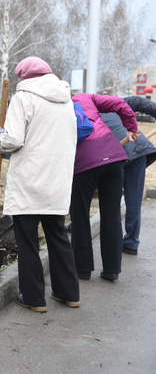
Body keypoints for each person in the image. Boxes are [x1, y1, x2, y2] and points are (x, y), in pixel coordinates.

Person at [0, 57, 80, 313]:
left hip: (29, 181)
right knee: (58, 237)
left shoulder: (23, 98)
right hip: (57, 180)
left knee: (28, 241)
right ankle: (69, 293)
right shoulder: (66, 100)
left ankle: (33, 298)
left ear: (23, 77)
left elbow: (14, 140)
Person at [69, 92, 139, 281]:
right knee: (111, 214)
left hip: (84, 163)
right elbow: (120, 103)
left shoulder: (53, 107)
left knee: (80, 215)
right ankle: (112, 269)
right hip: (113, 158)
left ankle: (82, 269)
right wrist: (131, 128)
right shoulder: (85, 97)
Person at [101, 96, 156, 255]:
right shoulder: (116, 104)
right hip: (138, 149)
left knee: (111, 200)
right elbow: (140, 102)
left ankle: (113, 243)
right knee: (134, 199)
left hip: (118, 153)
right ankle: (131, 243)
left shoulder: (87, 112)